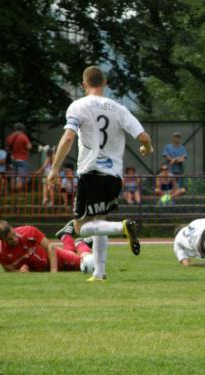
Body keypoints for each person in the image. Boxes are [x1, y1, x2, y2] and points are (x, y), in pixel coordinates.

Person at [47, 65, 153, 282]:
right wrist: (148, 149)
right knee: (99, 220)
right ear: (104, 83)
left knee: (80, 227)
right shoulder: (118, 108)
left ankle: (121, 227)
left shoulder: (78, 106)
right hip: (114, 175)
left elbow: (68, 138)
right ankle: (100, 272)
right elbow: (143, 137)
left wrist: (55, 169)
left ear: (84, 84)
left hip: (91, 171)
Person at [0, 220, 93, 272]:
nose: (14, 239)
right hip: (41, 267)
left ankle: (80, 244)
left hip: (52, 257)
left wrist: (53, 271)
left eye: (14, 234)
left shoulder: (28, 231)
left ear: (13, 228)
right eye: (9, 239)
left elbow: (50, 247)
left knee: (87, 264)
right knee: (71, 254)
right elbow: (9, 268)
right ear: (1, 239)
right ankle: (65, 235)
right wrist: (19, 272)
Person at [6, 122, 32, 191]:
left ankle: (12, 192)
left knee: (13, 176)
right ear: (22, 129)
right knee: (21, 177)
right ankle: (18, 193)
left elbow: (8, 148)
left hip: (12, 159)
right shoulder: (23, 136)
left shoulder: (9, 137)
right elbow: (29, 147)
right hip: (22, 159)